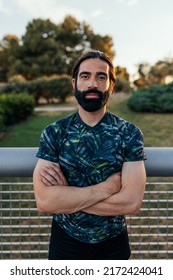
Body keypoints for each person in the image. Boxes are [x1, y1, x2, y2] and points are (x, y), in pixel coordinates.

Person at [33, 50, 147, 260]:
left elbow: (131, 202)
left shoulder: (129, 133)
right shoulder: (55, 133)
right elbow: (45, 201)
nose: (92, 83)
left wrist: (66, 196)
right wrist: (108, 188)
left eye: (101, 77)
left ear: (111, 85)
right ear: (74, 83)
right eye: (85, 76)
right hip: (65, 243)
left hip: (114, 245)